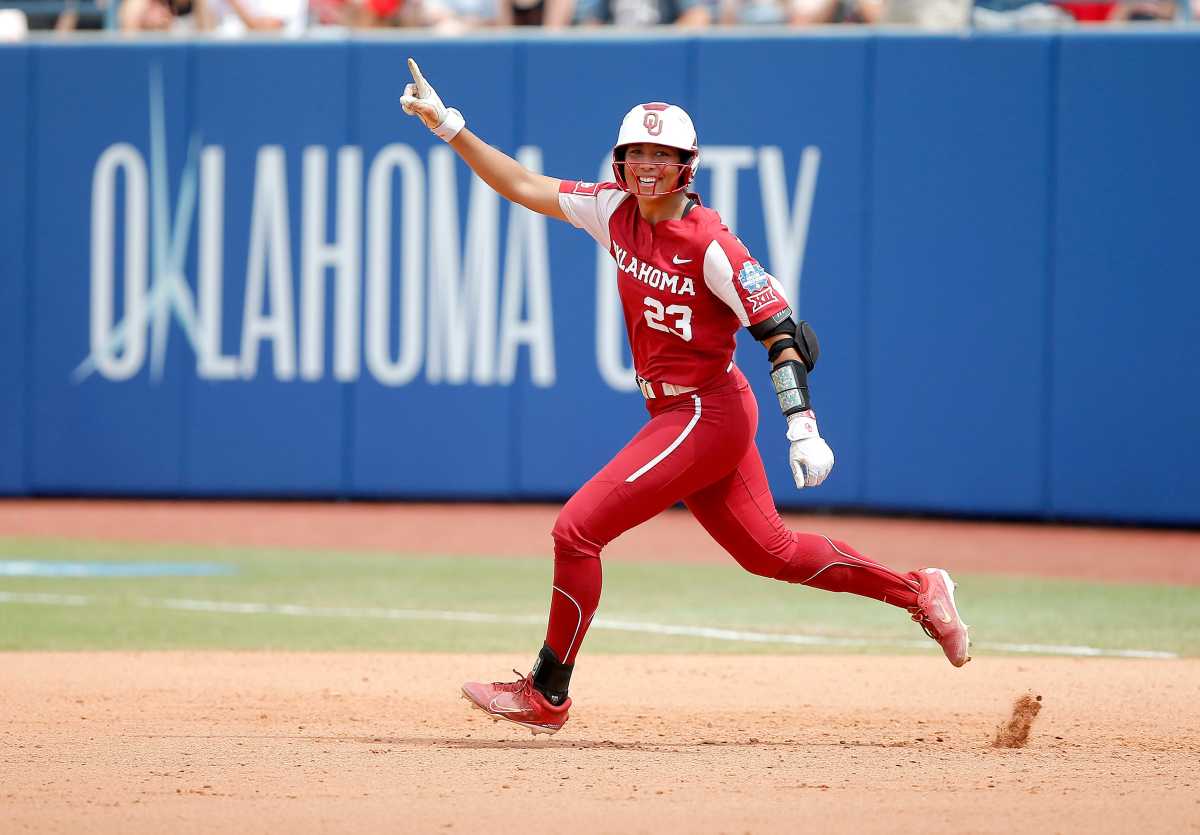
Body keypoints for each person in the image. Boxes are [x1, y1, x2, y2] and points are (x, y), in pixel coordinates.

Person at [399, 59, 971, 737]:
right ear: (619, 160)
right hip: (682, 410)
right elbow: (523, 183)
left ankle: (547, 691)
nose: (647, 165)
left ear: (686, 166)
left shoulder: (712, 244)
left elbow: (783, 333)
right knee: (772, 553)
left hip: (706, 409)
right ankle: (919, 590)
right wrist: (450, 126)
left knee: (576, 531)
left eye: (661, 155)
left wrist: (802, 424)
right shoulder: (613, 210)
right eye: (636, 152)